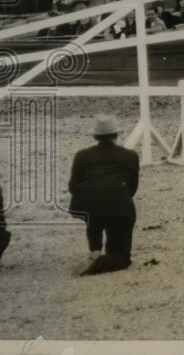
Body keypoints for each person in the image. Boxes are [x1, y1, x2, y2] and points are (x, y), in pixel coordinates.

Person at [68, 114, 140, 276]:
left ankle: (94, 251)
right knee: (121, 257)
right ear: (116, 134)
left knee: (94, 210)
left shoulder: (82, 156)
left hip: (90, 206)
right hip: (120, 205)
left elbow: (73, 186)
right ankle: (103, 261)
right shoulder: (130, 156)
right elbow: (132, 188)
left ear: (95, 136)